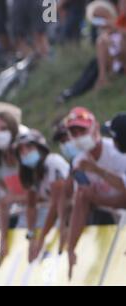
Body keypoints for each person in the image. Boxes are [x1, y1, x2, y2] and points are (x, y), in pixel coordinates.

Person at [65, 107, 126, 279]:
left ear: (95, 128)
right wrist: (71, 248)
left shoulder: (118, 152)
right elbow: (82, 200)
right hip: (108, 219)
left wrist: (96, 172)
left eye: (81, 130)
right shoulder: (78, 161)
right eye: (73, 132)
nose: (78, 136)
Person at [13, 129, 70, 262]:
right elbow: (31, 205)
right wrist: (32, 236)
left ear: (40, 147)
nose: (25, 152)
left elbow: (56, 204)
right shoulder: (33, 172)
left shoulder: (52, 162)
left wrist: (42, 237)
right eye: (21, 150)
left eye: (29, 147)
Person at [0, 102, 27, 266]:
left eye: (3, 129)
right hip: (23, 215)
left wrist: (14, 198)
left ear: (14, 130)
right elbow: (3, 202)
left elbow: (44, 191)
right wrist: (4, 241)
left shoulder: (26, 154)